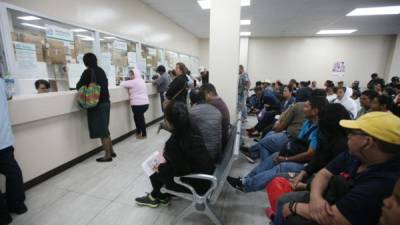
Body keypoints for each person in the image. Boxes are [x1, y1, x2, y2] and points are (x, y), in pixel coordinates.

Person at [282, 112, 400, 225]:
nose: (348, 135)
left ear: (367, 142)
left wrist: (293, 207)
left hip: (337, 213)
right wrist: (316, 198)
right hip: (328, 199)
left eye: (353, 133)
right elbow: (324, 173)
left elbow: (334, 217)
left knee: (286, 206)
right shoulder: (355, 154)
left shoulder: (383, 182)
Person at [228, 96, 328, 192]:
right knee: (273, 156)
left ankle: (248, 183)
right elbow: (299, 143)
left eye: (306, 107)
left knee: (280, 165)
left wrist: (286, 158)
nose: (303, 109)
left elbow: (309, 154)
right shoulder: (307, 122)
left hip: (307, 164)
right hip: (295, 151)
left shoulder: (319, 130)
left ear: (315, 111)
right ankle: (247, 180)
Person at [273, 104, 351, 225]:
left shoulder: (343, 146)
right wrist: (304, 173)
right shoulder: (328, 138)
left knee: (284, 198)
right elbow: (321, 164)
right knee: (279, 174)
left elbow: (332, 182)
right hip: (314, 178)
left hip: (323, 190)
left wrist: (305, 187)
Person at [135, 101, 215, 208]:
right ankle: (158, 196)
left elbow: (179, 172)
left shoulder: (173, 144)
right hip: (206, 176)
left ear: (170, 122)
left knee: (154, 168)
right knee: (160, 165)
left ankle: (156, 197)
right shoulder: (192, 126)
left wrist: (160, 166)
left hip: (196, 186)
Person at [76, 53, 115, 162]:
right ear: (96, 60)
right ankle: (111, 151)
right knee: (105, 128)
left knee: (102, 131)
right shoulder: (101, 71)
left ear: (85, 62)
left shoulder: (88, 72)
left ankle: (107, 155)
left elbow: (78, 86)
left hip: (97, 104)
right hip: (106, 102)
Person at [0, 76, 27, 225]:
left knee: (13, 173)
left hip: (3, 139)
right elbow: (9, 94)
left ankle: (3, 217)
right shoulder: (1, 82)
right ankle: (17, 205)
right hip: (3, 140)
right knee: (13, 173)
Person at [189, 89, 223, 163]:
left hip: (204, 157)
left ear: (191, 101)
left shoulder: (192, 112)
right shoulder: (216, 111)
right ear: (205, 97)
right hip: (217, 154)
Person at [120, 69, 149, 139]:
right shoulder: (141, 80)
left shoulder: (134, 81)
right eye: (129, 74)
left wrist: (127, 81)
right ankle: (138, 133)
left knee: (139, 119)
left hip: (138, 104)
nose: (130, 76)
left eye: (131, 74)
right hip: (145, 103)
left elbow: (122, 83)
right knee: (138, 118)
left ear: (135, 74)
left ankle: (144, 134)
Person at [199, 83, 230, 148]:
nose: (203, 98)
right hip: (222, 139)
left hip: (219, 143)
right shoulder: (219, 101)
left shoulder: (212, 104)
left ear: (209, 93)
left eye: (203, 95)